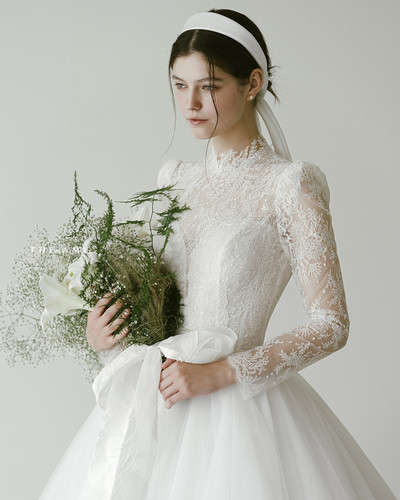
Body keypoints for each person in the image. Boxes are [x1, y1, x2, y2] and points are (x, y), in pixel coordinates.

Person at [39, 8, 396, 500]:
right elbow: (158, 310)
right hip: (157, 407)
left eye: (208, 86)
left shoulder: (290, 185)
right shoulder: (174, 179)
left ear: (253, 83)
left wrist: (223, 372)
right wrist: (105, 335)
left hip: (240, 420)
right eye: (178, 85)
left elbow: (331, 324)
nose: (190, 103)